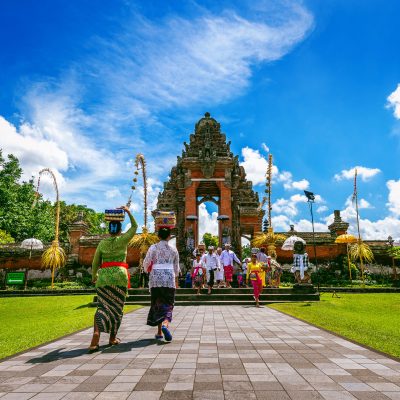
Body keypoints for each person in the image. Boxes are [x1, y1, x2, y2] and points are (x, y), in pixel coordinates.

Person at [89, 205, 137, 352]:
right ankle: (112, 338)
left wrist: (94, 276)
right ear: (120, 230)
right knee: (117, 309)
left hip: (104, 278)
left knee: (102, 307)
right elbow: (135, 227)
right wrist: (128, 211)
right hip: (120, 277)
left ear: (109, 230)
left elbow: (95, 262)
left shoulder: (102, 243)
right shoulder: (123, 240)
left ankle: (95, 336)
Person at [143, 222, 180, 342]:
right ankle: (165, 324)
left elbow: (146, 263)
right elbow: (176, 268)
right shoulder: (174, 249)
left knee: (157, 303)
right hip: (169, 278)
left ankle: (159, 332)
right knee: (168, 304)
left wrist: (148, 270)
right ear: (169, 236)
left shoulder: (153, 247)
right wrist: (176, 280)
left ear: (158, 236)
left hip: (155, 278)